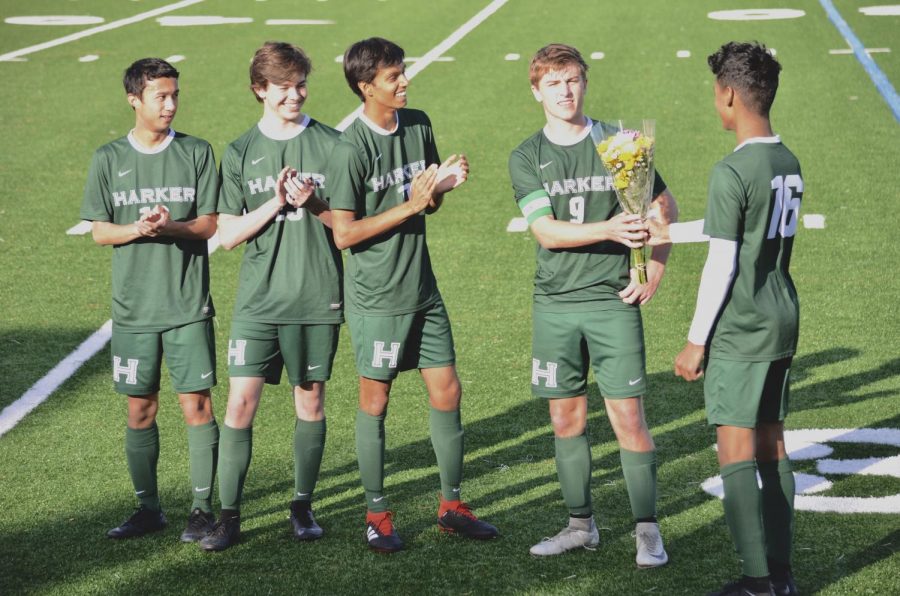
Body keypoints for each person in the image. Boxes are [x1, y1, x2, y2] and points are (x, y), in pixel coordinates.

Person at [325, 37, 498, 553]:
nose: (405, 82)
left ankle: (452, 506)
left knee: (447, 391)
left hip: (423, 288)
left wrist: (441, 187)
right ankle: (376, 514)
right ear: (366, 87)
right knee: (375, 401)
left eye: (403, 72)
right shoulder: (347, 148)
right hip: (377, 298)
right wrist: (411, 203)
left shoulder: (418, 123)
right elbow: (344, 234)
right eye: (393, 77)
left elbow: (427, 205)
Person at [507, 44, 678, 566]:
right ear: (536, 90)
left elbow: (663, 207)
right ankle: (580, 525)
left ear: (585, 83)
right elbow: (545, 232)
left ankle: (647, 530)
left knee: (628, 417)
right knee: (566, 420)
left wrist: (656, 268)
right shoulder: (525, 155)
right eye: (553, 83)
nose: (564, 91)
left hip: (610, 301)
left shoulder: (619, 141)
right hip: (555, 303)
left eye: (573, 80)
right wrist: (607, 229)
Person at [650, 41, 801, 596]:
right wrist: (668, 232)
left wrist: (695, 342)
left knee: (736, 450)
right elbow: (735, 228)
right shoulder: (786, 160)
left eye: (716, 94)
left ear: (730, 95)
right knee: (773, 445)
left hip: (741, 326)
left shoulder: (731, 167)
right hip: (781, 315)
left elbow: (725, 259)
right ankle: (781, 576)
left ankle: (756, 581)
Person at [198, 42, 343, 552]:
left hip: (317, 293)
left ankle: (302, 506)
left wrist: (315, 201)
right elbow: (230, 233)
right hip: (259, 300)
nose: (295, 95)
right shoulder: (239, 150)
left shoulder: (333, 142)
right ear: (260, 90)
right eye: (284, 87)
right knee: (240, 403)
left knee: (311, 399)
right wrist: (276, 201)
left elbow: (349, 224)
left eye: (301, 85)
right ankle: (229, 514)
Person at [80, 58, 220, 543]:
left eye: (175, 94)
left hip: (186, 306)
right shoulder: (108, 158)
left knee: (196, 406)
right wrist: (138, 228)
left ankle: (202, 510)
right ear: (134, 99)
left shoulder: (197, 152)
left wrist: (171, 226)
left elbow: (208, 225)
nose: (171, 104)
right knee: (139, 410)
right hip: (134, 311)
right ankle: (148, 509)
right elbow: (100, 232)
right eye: (161, 96)